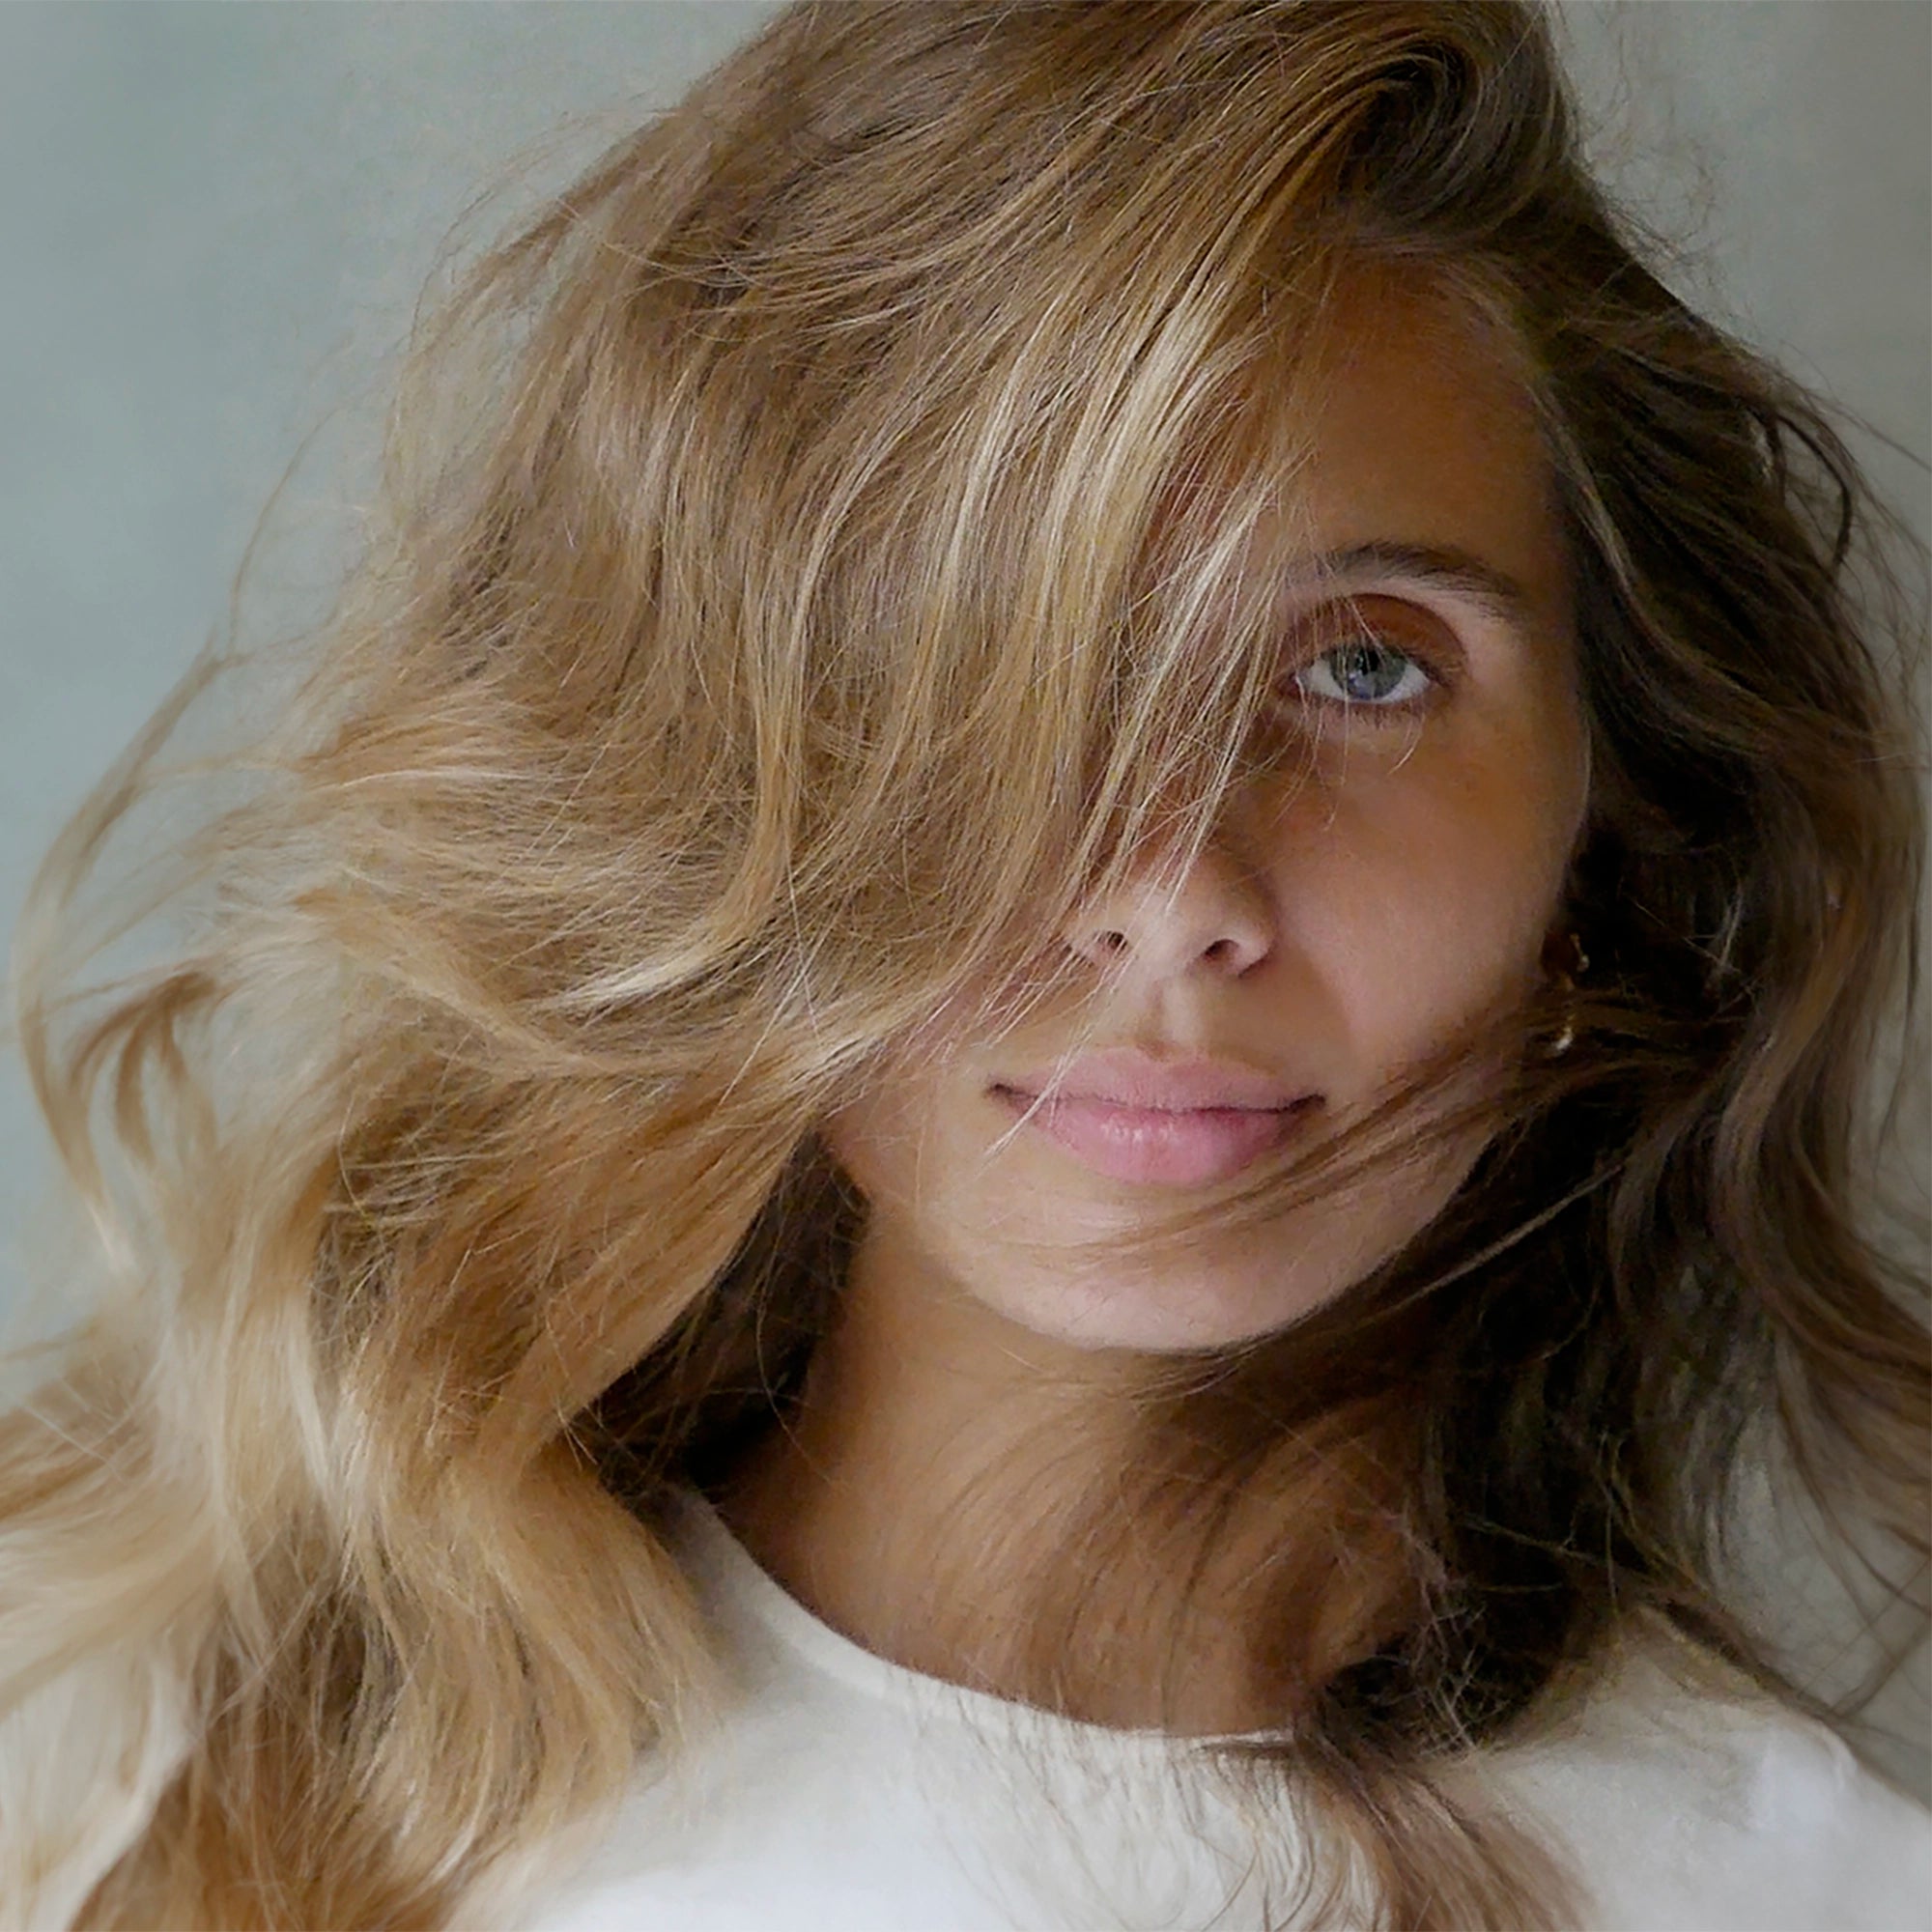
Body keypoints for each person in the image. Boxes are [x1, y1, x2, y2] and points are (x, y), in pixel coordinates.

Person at [2, 2, 1927, 1927]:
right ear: (712, 769)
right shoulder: (138, 1743)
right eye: (1006, 661)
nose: (1173, 886)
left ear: (1614, 812)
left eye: (1361, 665)